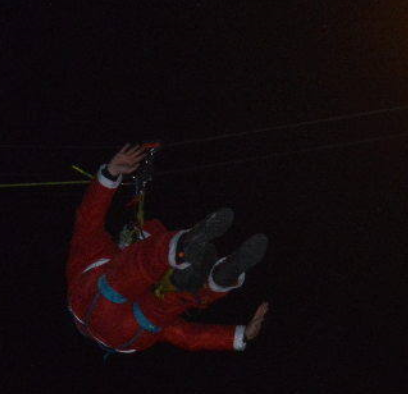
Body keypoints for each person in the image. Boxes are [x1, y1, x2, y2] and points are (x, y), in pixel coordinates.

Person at [66, 142, 270, 354]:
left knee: (166, 297)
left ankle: (206, 274)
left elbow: (88, 216)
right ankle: (204, 271)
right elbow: (189, 336)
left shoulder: (100, 253)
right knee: (159, 294)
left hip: (121, 322)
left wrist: (110, 173)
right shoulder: (102, 251)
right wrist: (240, 335)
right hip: (115, 319)